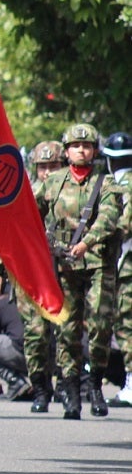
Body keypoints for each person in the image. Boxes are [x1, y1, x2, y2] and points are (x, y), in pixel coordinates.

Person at [33, 123, 119, 419]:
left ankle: (94, 384)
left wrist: (86, 242)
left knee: (99, 324)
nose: (82, 150)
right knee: (67, 329)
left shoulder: (106, 183)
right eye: (76, 146)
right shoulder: (53, 181)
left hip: (97, 263)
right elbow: (31, 213)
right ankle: (70, 392)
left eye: (87, 146)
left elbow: (109, 217)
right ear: (67, 151)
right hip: (63, 266)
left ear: (95, 150)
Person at [18, 140, 65, 412]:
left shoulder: (71, 192)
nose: (47, 172)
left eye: (53, 166)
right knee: (35, 333)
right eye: (42, 166)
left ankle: (67, 385)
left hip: (65, 269)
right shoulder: (25, 196)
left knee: (65, 332)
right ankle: (39, 388)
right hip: (33, 273)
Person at [104, 131, 132, 408]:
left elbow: (122, 225)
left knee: (126, 325)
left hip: (127, 266)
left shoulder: (118, 186)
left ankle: (131, 386)